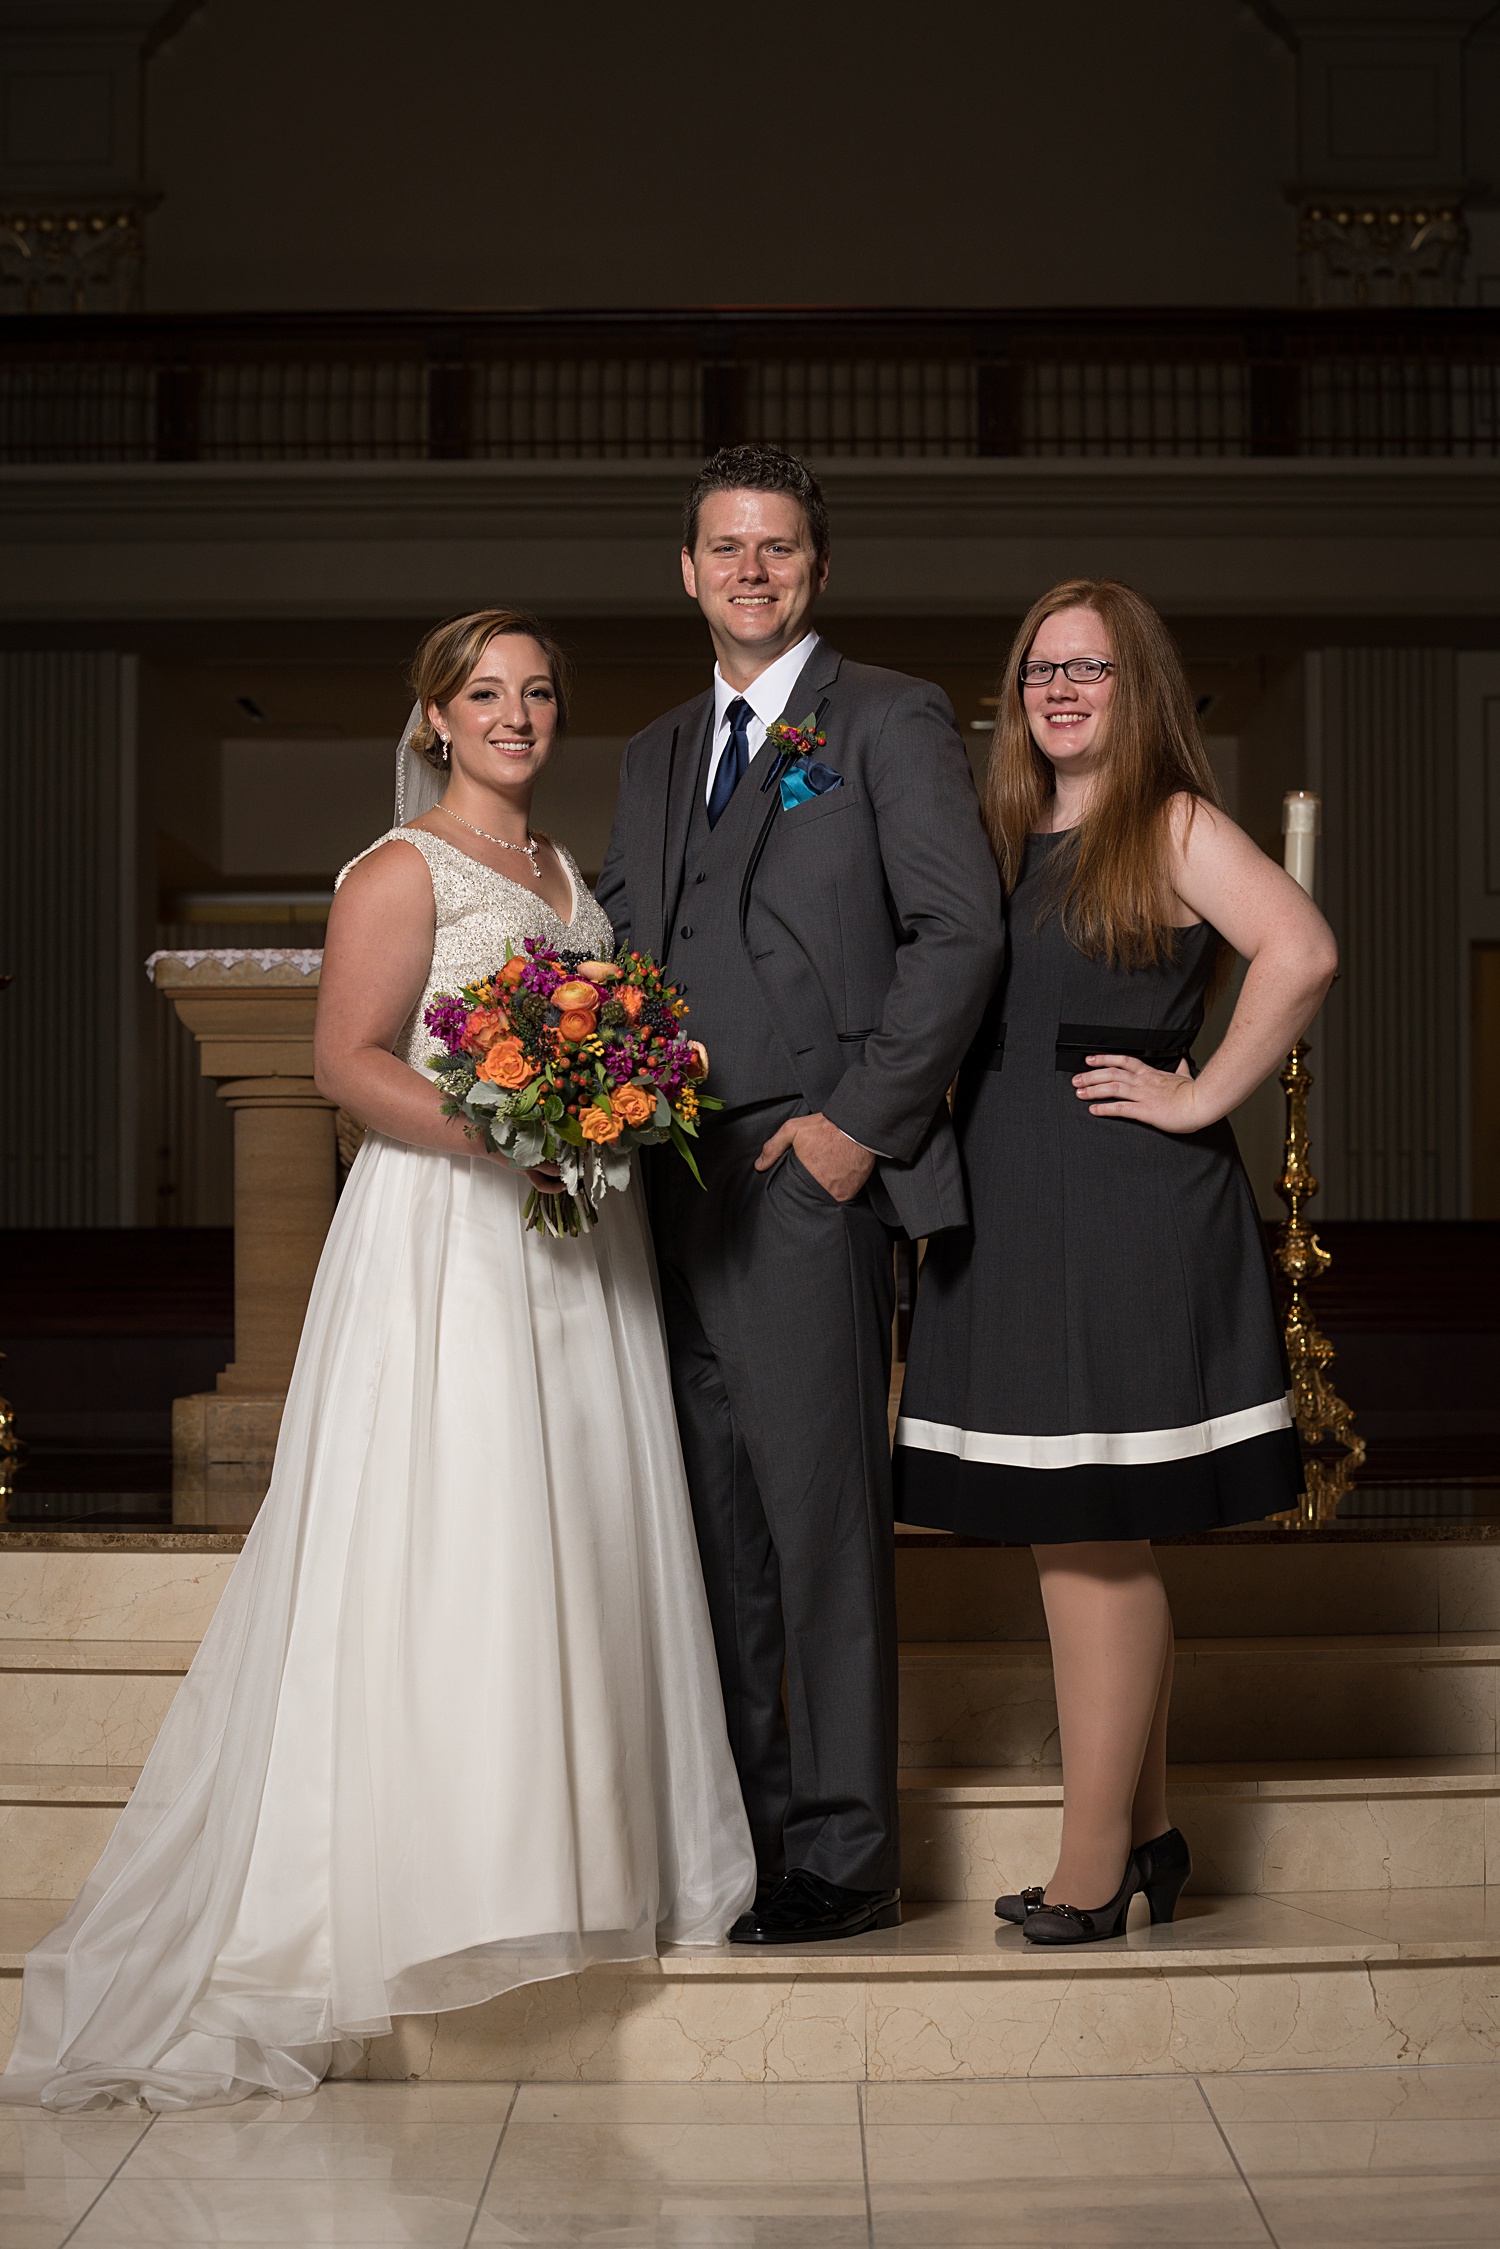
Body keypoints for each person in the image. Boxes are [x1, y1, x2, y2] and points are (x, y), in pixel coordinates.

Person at [2, 608, 755, 2111]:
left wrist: (600, 1104)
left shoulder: (565, 879)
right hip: (453, 1238)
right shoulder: (400, 869)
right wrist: (506, 1126)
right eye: (488, 694)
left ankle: (584, 1859)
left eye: (540, 692)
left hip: (573, 1242)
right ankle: (440, 1883)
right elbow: (347, 1059)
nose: (518, 715)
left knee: (578, 1536)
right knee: (462, 1537)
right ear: (435, 718)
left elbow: (594, 1034)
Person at [596, 446, 1005, 1944]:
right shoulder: (650, 751)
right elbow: (630, 955)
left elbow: (959, 937)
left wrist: (855, 1128)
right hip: (668, 1182)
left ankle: (846, 1853)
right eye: (725, 546)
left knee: (822, 1518)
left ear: (815, 571)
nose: (751, 569)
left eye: (777, 547)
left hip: (805, 1174)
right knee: (712, 1527)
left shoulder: (885, 716)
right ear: (686, 571)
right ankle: (746, 1843)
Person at [894, 578, 1337, 1947]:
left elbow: (1303, 948)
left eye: (1090, 666)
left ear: (1137, 683)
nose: (1062, 687)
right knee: (1071, 1525)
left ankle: (1092, 1864)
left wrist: (1201, 1096)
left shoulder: (1171, 819)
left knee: (1088, 1530)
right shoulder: (1008, 828)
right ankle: (1145, 1834)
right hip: (1014, 1201)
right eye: (1040, 665)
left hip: (1122, 1203)